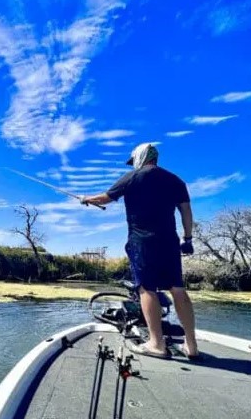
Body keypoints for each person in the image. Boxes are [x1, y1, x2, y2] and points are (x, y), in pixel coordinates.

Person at [80, 142, 199, 360]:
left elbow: (105, 198)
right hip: (170, 242)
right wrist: (188, 239)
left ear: (140, 157)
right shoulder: (176, 181)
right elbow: (186, 212)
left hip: (142, 242)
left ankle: (156, 344)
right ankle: (191, 346)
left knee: (147, 289)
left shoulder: (132, 177)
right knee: (178, 288)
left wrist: (86, 199)